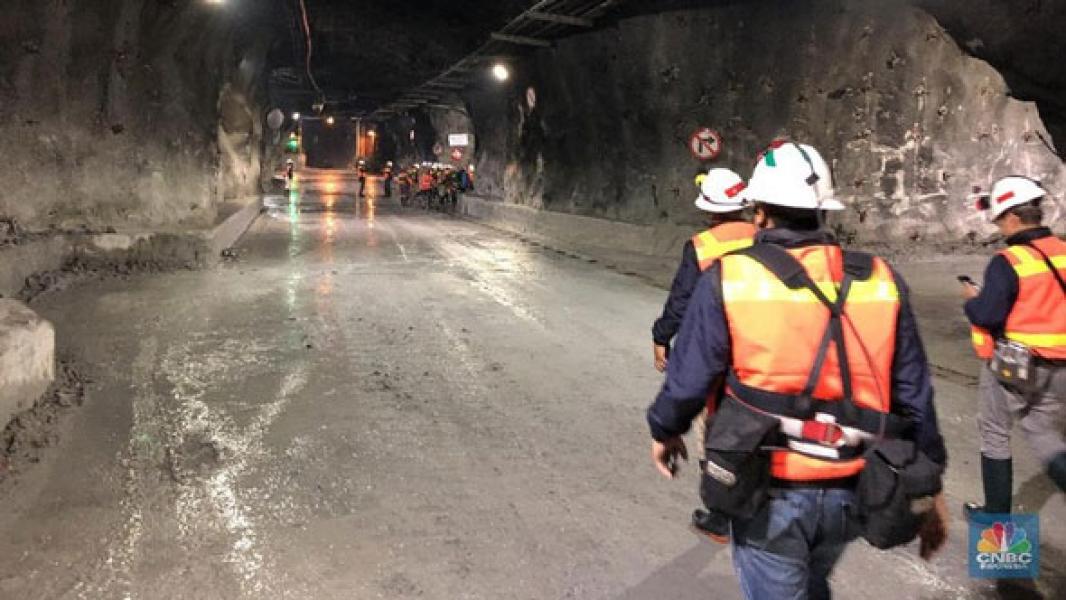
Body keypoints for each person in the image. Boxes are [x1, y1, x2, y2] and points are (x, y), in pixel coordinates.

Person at [646, 142, 948, 600]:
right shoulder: (882, 279)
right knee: (811, 582)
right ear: (823, 211)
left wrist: (665, 430)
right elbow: (914, 394)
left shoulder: (733, 277)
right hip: (854, 487)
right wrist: (930, 486)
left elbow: (691, 376)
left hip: (770, 488)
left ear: (760, 212)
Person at [651, 167, 756, 542]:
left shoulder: (702, 247)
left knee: (714, 429)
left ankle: (722, 513)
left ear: (709, 210)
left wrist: (661, 336)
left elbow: (681, 301)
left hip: (718, 351)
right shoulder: (768, 238)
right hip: (764, 349)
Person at [961, 175, 1066, 518]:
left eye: (999, 219)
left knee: (994, 433)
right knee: (1042, 433)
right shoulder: (1063, 251)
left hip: (1016, 364)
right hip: (1060, 367)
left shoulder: (1009, 261)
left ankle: (1000, 538)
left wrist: (972, 301)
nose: (999, 227)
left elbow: (988, 315)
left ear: (1012, 218)